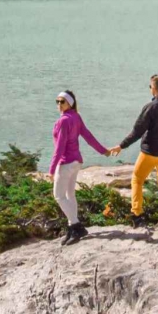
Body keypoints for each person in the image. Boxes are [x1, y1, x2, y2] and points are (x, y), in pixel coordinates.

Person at [112, 74, 158, 232]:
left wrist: (121, 146)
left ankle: (137, 216)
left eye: (150, 87)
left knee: (137, 180)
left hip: (150, 153)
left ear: (153, 88)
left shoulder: (150, 107)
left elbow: (137, 132)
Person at [50, 90, 110, 246]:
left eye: (62, 101)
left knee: (58, 196)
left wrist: (51, 169)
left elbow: (60, 148)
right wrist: (103, 151)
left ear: (70, 103)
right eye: (57, 101)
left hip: (66, 163)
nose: (59, 104)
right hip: (77, 162)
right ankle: (72, 228)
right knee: (70, 194)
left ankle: (77, 226)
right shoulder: (76, 117)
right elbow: (88, 136)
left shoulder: (63, 121)